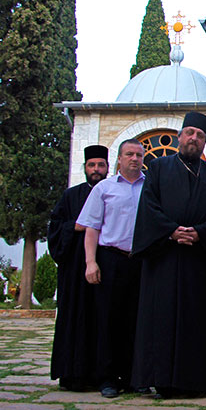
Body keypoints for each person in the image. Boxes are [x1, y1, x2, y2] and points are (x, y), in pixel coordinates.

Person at [130, 112, 206, 399]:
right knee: (160, 319)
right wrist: (172, 231)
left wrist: (200, 232)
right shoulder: (158, 168)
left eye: (200, 135)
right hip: (164, 259)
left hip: (199, 262)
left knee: (197, 321)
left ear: (205, 142)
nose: (194, 139)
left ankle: (195, 381)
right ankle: (159, 379)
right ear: (180, 136)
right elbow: (148, 206)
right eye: (190, 133)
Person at [76, 139, 147, 399]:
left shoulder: (150, 187)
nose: (134, 159)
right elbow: (91, 227)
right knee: (108, 320)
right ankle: (107, 378)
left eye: (139, 154)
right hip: (111, 259)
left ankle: (133, 377)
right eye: (129, 154)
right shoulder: (104, 189)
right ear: (119, 159)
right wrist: (90, 262)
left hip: (140, 260)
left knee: (136, 321)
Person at [48, 144, 109, 392]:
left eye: (100, 165)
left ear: (108, 167)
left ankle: (102, 374)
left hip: (103, 267)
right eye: (92, 165)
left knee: (102, 320)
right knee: (75, 320)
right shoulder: (71, 196)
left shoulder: (110, 192)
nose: (96, 170)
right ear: (85, 168)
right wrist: (77, 227)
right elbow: (56, 227)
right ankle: (72, 374)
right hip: (74, 272)